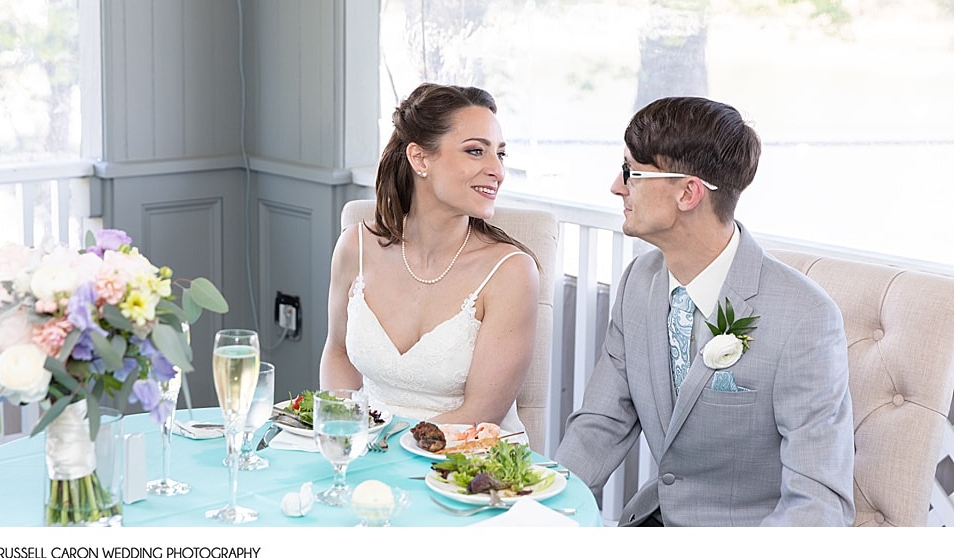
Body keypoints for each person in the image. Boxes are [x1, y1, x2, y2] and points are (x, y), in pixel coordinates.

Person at [555, 96, 855, 526]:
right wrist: (539, 514)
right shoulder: (639, 281)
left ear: (688, 192)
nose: (617, 186)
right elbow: (601, 424)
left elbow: (818, 504)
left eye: (631, 172)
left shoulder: (806, 319)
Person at [319, 82, 540, 434]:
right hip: (367, 454)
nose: (497, 170)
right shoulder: (354, 247)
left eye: (500, 154)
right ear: (420, 158)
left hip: (465, 467)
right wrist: (342, 430)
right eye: (475, 151)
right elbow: (339, 353)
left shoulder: (511, 272)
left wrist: (381, 445)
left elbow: (480, 412)